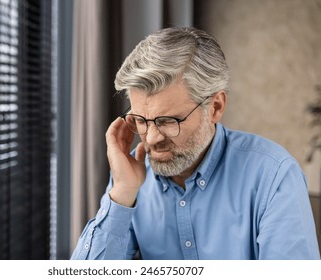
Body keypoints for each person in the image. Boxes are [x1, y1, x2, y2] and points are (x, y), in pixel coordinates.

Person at [71, 27, 320, 260]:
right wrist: (123, 193)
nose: (152, 139)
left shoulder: (274, 176)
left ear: (215, 107)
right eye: (141, 120)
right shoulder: (132, 175)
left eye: (168, 120)